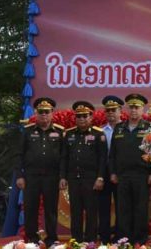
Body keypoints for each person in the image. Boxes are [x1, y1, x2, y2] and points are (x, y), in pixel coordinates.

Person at [109, 93, 151, 244]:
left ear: (142, 109)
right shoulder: (119, 128)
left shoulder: (150, 128)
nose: (134, 110)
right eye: (131, 107)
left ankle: (140, 241)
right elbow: (113, 154)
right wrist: (113, 173)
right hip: (122, 176)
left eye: (137, 107)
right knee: (122, 209)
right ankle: (124, 240)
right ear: (126, 110)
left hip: (142, 175)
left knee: (140, 209)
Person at [16, 97, 64, 245]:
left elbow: (64, 157)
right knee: (31, 208)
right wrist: (19, 176)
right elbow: (19, 154)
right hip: (31, 177)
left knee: (51, 210)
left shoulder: (60, 132)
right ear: (36, 113)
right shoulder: (28, 131)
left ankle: (51, 239)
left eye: (47, 112)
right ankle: (32, 239)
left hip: (52, 177)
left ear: (52, 113)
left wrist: (62, 177)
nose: (44, 115)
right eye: (41, 112)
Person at [60, 101, 106, 242]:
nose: (82, 118)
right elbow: (64, 158)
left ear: (91, 117)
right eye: (79, 116)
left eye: (85, 116)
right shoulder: (68, 134)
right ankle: (77, 241)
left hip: (91, 179)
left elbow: (102, 159)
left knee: (91, 212)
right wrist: (62, 177)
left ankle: (90, 241)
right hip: (74, 179)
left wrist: (100, 177)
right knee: (76, 211)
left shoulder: (99, 134)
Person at [99, 95, 123, 243]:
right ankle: (104, 237)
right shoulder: (101, 131)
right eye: (108, 110)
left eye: (114, 110)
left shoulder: (125, 129)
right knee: (103, 206)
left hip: (121, 173)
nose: (110, 113)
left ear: (120, 111)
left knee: (122, 206)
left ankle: (120, 237)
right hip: (104, 172)